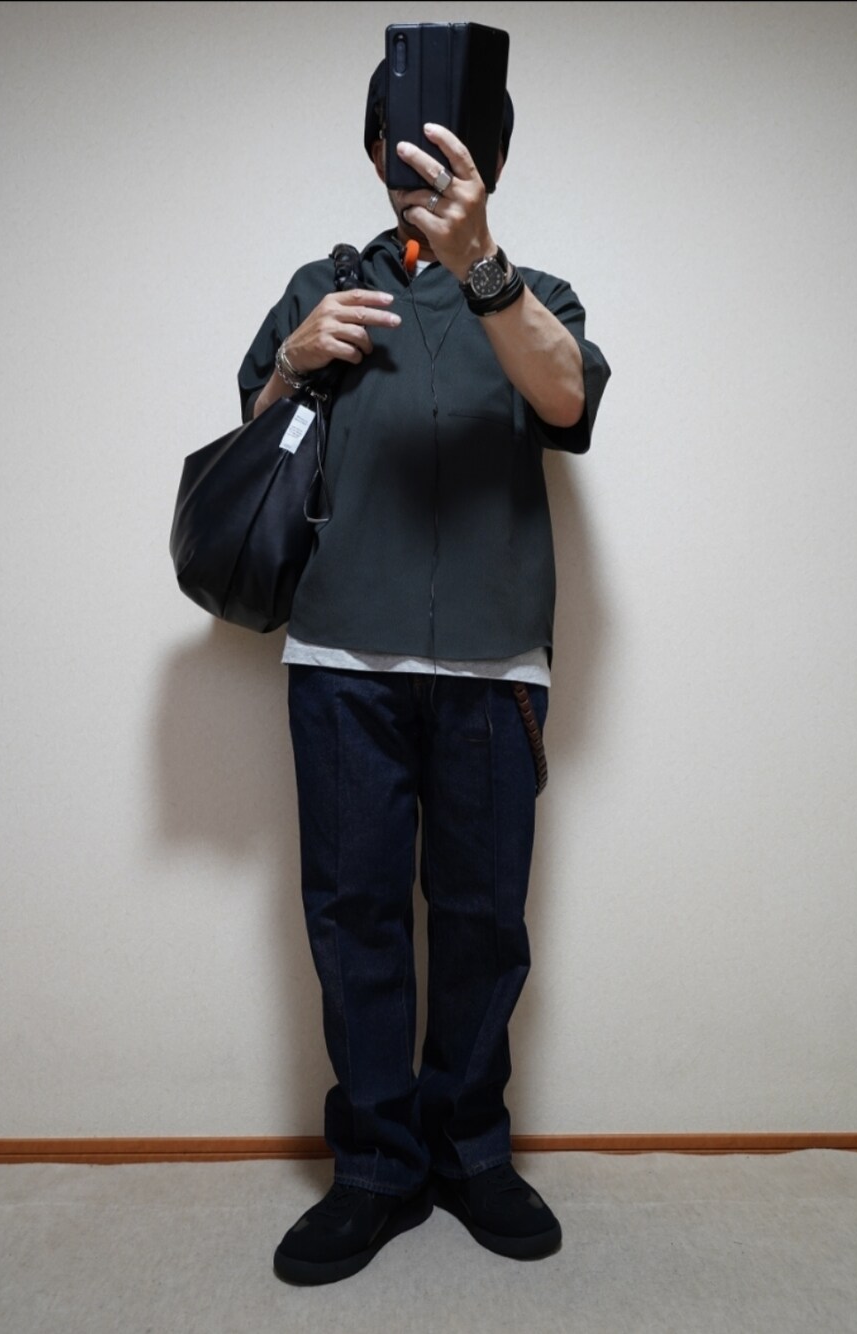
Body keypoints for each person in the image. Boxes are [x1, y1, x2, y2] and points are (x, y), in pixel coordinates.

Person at [237, 56, 610, 1286]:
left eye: (451, 146)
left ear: (487, 160)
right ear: (374, 152)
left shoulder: (534, 294)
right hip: (342, 654)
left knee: (482, 919)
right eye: (400, 142)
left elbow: (567, 398)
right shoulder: (324, 285)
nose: (421, 165)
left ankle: (470, 1150)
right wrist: (294, 359)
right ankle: (376, 1168)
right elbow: (252, 447)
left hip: (496, 664)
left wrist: (482, 264)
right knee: (353, 916)